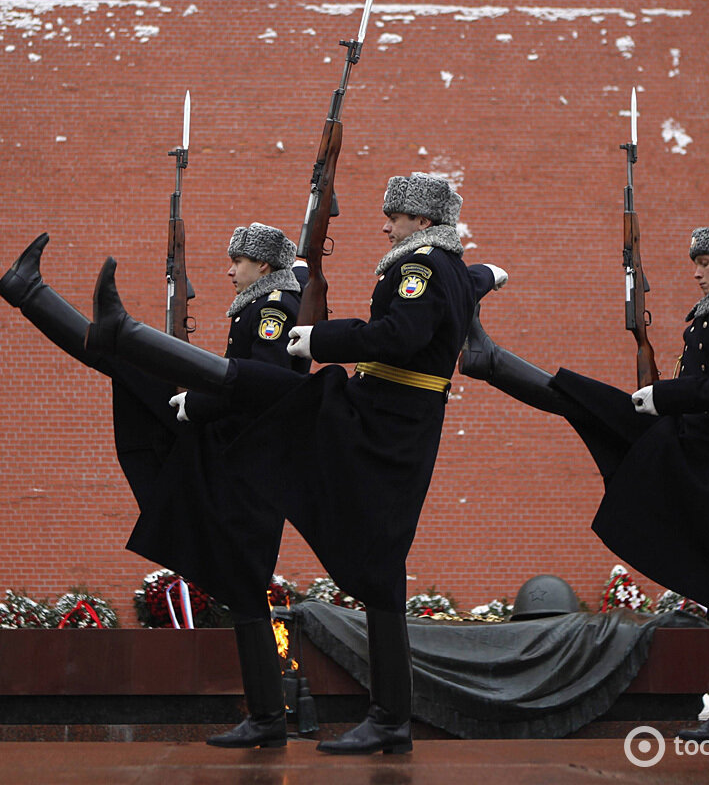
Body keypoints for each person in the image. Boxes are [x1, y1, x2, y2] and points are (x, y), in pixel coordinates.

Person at [82, 172, 507, 754]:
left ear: (424, 223)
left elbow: (402, 333)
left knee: (299, 404)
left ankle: (388, 719)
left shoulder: (423, 266)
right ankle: (388, 720)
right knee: (374, 559)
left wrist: (319, 341)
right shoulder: (450, 267)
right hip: (393, 416)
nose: (386, 226)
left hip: (384, 418)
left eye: (397, 218)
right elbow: (466, 283)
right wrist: (489, 275)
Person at [0, 222, 307, 749]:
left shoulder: (273, 309)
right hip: (230, 452)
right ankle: (35, 294)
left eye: (239, 262)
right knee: (125, 364)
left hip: (237, 461)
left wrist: (198, 403)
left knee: (247, 591)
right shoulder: (264, 302)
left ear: (265, 266)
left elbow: (264, 387)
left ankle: (267, 719)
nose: (230, 271)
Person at [460, 222, 709, 742]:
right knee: (594, 404)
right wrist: (666, 401)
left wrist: (664, 398)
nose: (696, 271)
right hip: (692, 439)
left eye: (707, 262)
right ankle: (488, 359)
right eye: (696, 261)